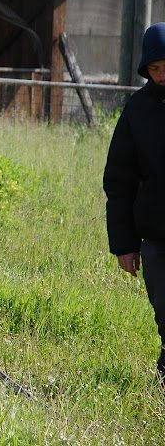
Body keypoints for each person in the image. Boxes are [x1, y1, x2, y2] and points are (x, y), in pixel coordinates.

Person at [103, 21, 165, 383]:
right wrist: (124, 245)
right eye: (154, 69)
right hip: (156, 233)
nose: (161, 75)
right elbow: (119, 179)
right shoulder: (137, 110)